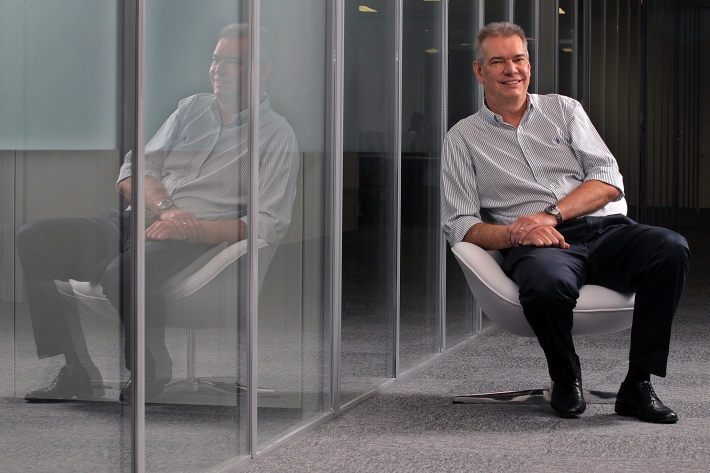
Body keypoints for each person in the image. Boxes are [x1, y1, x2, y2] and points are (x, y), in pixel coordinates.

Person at [18, 23, 299, 402]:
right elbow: (133, 170)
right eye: (215, 59)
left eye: (232, 61)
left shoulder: (277, 136)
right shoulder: (191, 108)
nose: (218, 69)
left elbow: (267, 222)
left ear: (263, 70)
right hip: (139, 219)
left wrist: (189, 228)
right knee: (34, 239)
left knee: (121, 272)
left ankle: (149, 369)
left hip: (198, 241)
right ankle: (75, 368)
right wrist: (166, 209)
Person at [441, 22, 690, 422]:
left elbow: (608, 180)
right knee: (544, 285)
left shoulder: (564, 110)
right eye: (498, 61)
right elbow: (459, 222)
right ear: (479, 71)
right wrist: (516, 232)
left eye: (519, 59)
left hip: (604, 232)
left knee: (671, 248)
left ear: (529, 64)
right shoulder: (462, 138)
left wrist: (551, 214)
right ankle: (565, 377)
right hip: (539, 246)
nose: (511, 69)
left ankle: (638, 384)